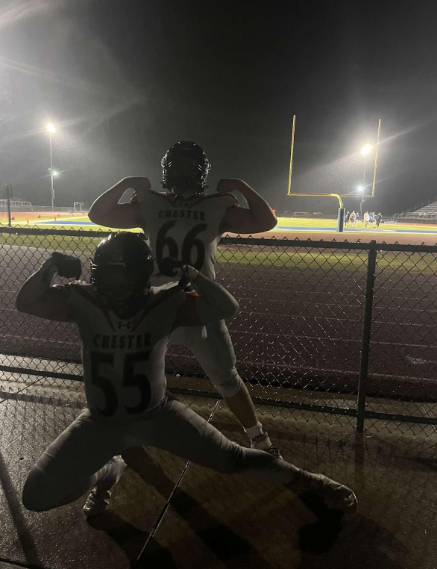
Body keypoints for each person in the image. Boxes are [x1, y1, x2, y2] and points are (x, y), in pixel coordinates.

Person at [17, 233, 357, 518]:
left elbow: (227, 308)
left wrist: (190, 273)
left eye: (124, 281)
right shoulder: (83, 300)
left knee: (231, 458)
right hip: (101, 420)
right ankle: (108, 470)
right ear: (96, 277)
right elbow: (25, 302)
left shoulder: (163, 302)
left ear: (143, 277)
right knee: (36, 496)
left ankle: (310, 481)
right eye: (109, 280)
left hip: (157, 414)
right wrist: (50, 265)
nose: (117, 291)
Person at [88, 141, 281, 457]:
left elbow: (267, 222)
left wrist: (128, 185)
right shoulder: (183, 204)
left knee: (225, 378)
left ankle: (259, 438)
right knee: (140, 376)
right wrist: (239, 187)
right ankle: (259, 440)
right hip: (163, 304)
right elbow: (97, 214)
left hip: (186, 302)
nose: (180, 171)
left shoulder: (185, 205)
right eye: (178, 165)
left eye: (184, 165)